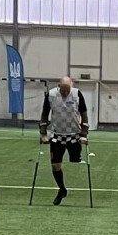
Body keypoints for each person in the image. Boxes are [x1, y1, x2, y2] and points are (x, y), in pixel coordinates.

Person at [40, 76, 90, 204]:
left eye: (68, 90)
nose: (66, 93)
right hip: (57, 135)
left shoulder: (77, 94)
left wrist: (84, 134)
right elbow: (45, 114)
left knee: (75, 160)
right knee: (55, 165)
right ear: (59, 86)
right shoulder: (51, 95)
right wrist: (43, 133)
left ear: (71, 86)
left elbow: (84, 114)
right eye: (63, 90)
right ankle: (62, 189)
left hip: (74, 135)